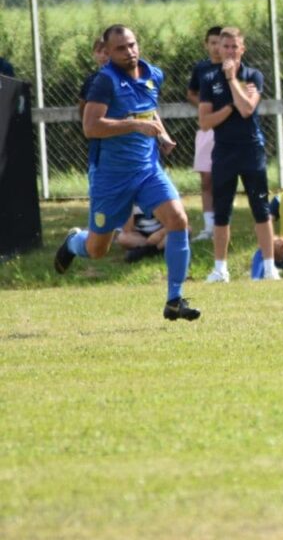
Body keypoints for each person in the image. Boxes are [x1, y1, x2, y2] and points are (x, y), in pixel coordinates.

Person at [53, 24, 199, 321]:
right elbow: (91, 127)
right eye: (120, 48)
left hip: (147, 170)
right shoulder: (104, 82)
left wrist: (162, 135)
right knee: (97, 250)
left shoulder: (152, 74)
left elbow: (148, 109)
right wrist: (134, 125)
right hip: (111, 177)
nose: (129, 52)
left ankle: (175, 300)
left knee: (178, 220)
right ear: (106, 53)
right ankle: (73, 242)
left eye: (132, 45)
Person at [197, 27, 278, 282]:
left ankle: (269, 267)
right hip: (223, 152)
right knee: (222, 211)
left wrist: (232, 81)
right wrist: (230, 106)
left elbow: (246, 110)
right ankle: (220, 269)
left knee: (260, 208)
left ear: (242, 49)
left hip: (251, 150)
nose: (230, 51)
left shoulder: (253, 76)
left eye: (235, 47)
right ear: (218, 49)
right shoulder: (209, 80)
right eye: (226, 46)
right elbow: (205, 121)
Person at [187, 26, 222, 241]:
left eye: (221, 42)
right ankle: (209, 227)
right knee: (207, 179)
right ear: (206, 45)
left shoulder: (235, 68)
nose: (217, 47)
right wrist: (206, 107)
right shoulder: (201, 69)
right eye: (213, 42)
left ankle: (222, 224)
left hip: (230, 130)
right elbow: (191, 93)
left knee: (226, 178)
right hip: (208, 129)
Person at [77, 38, 108, 119]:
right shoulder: (90, 80)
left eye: (106, 53)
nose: (102, 55)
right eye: (99, 52)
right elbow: (82, 106)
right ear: (93, 54)